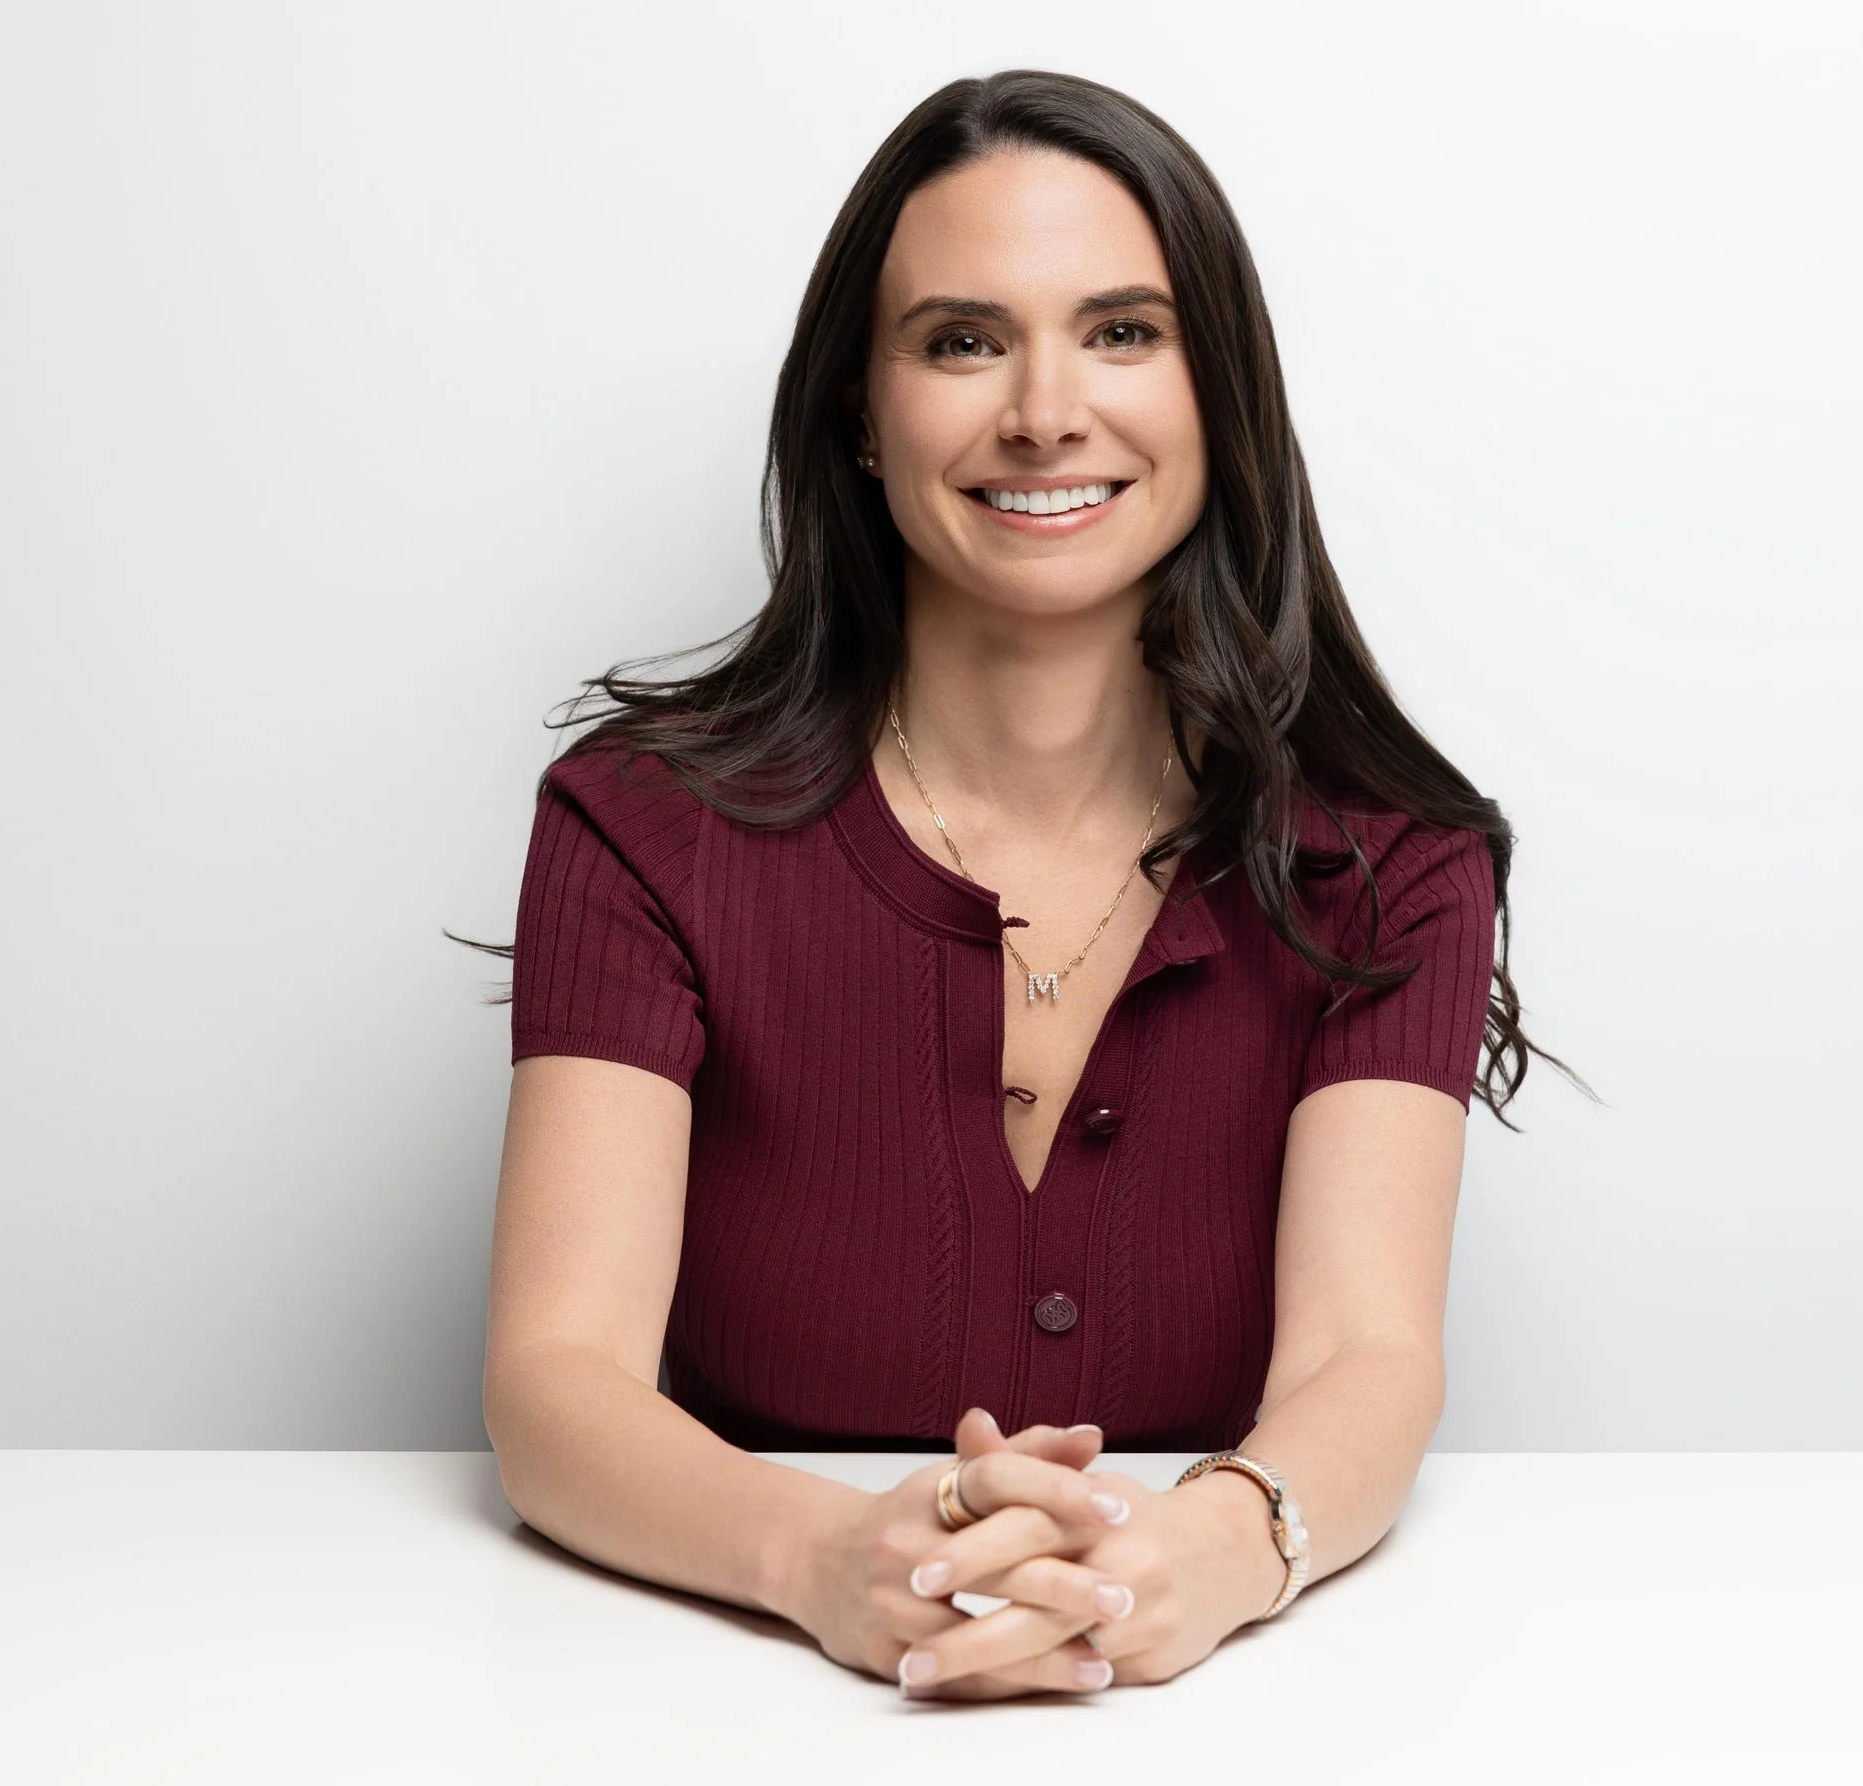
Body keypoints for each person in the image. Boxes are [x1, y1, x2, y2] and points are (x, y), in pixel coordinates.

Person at [469, 67, 1579, 1702]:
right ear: (862, 404)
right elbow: (554, 1379)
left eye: (1125, 332)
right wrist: (829, 1562)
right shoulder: (641, 824)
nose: (1047, 410)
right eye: (962, 339)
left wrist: (1197, 1557)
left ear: (1222, 395)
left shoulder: (1390, 865)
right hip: (688, 1701)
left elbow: (1365, 1356)